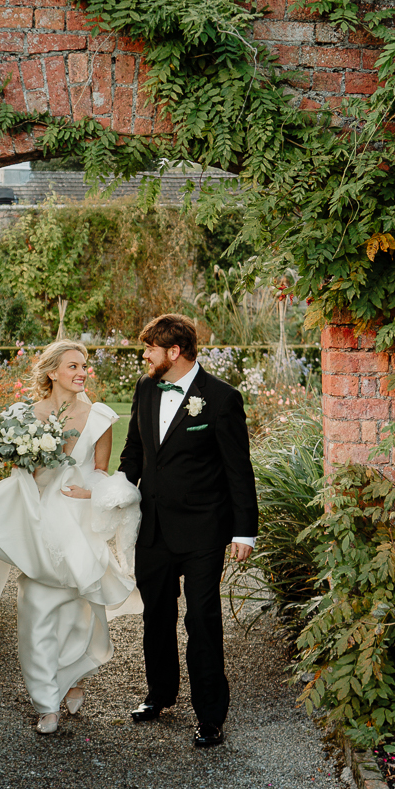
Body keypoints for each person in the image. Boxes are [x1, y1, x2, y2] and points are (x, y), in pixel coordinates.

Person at [0, 341, 141, 734]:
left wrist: (91, 493)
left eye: (84, 366)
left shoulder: (101, 417)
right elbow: (19, 470)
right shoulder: (23, 415)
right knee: (37, 608)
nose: (82, 372)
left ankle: (73, 676)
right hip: (37, 514)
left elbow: (100, 473)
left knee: (81, 606)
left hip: (77, 517)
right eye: (73, 365)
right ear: (52, 372)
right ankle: (45, 702)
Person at [117, 314, 258, 749]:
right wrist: (113, 496)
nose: (144, 356)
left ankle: (211, 716)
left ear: (173, 352)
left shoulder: (220, 398)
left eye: (150, 350)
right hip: (153, 530)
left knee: (201, 619)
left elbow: (239, 470)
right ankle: (160, 694)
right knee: (155, 616)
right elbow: (134, 452)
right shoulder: (145, 389)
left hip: (203, 531)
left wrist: (244, 532)